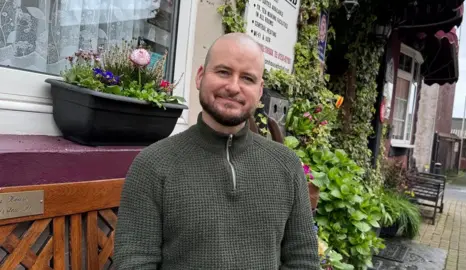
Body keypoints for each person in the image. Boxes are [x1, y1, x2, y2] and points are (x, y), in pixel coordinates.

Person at [113, 33, 319, 269]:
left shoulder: (286, 165)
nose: (233, 87)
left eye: (247, 78)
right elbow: (135, 262)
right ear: (200, 76)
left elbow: (302, 260)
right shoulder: (153, 165)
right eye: (223, 72)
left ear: (260, 91)